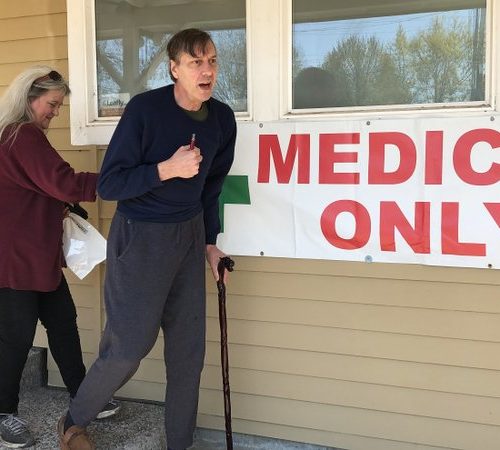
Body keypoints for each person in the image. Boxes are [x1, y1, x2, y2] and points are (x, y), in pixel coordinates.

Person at [58, 28, 236, 450]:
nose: (206, 70)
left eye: (211, 60)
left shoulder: (222, 120)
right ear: (174, 69)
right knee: (128, 348)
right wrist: (165, 169)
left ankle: (179, 442)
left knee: (188, 352)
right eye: (196, 62)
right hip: (140, 238)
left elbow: (212, 187)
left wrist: (210, 243)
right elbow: (111, 184)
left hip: (190, 237)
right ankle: (73, 422)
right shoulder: (145, 111)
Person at [0, 66, 120, 449]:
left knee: (63, 323)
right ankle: (4, 413)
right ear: (29, 99)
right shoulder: (21, 136)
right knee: (15, 338)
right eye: (52, 104)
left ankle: (83, 399)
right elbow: (65, 182)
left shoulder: (16, 137)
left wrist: (61, 207)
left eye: (59, 105)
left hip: (38, 253)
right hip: (15, 258)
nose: (55, 112)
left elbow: (41, 188)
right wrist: (127, 177)